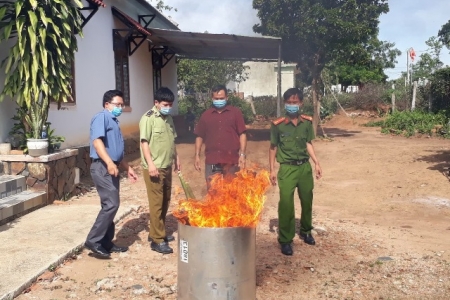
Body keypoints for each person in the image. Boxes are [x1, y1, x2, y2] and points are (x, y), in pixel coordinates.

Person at [269, 87, 322, 256]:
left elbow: (308, 144)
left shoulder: (306, 122)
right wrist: (271, 170)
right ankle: (285, 239)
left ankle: (306, 231)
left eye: (295, 102)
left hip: (304, 167)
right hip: (287, 168)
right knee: (285, 203)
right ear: (285, 103)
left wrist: (317, 163)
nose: (292, 105)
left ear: (301, 103)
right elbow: (273, 147)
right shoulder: (277, 125)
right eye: (289, 102)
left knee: (307, 200)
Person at [85, 90, 138, 259]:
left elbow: (115, 151)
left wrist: (127, 167)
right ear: (107, 104)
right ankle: (93, 240)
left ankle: (106, 242)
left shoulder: (114, 121)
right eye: (117, 105)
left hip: (112, 167)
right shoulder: (101, 117)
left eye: (122, 105)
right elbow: (97, 141)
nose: (120, 108)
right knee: (111, 204)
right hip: (102, 167)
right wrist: (108, 162)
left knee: (109, 205)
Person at [139, 87, 180, 254]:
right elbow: (144, 143)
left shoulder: (168, 118)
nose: (168, 107)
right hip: (154, 167)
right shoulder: (148, 118)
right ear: (156, 103)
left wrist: (177, 159)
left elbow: (172, 140)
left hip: (167, 165)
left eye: (170, 104)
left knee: (165, 200)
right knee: (156, 203)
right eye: (165, 104)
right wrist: (151, 165)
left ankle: (157, 231)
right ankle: (157, 240)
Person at [194, 84, 247, 189]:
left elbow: (242, 134)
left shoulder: (235, 113)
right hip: (212, 161)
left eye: (221, 98)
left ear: (227, 97)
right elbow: (199, 136)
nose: (219, 100)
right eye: (216, 99)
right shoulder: (206, 115)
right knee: (213, 194)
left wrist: (242, 155)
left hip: (231, 161)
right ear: (212, 98)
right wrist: (197, 155)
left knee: (232, 193)